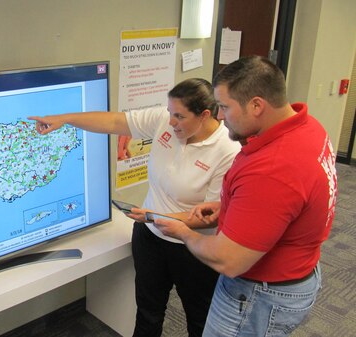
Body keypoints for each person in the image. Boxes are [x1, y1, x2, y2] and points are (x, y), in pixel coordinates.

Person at [29, 78, 241, 337]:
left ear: (205, 115)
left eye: (179, 116)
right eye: (169, 113)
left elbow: (209, 218)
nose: (170, 122)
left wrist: (154, 216)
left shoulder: (227, 151)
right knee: (148, 313)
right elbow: (115, 122)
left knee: (199, 319)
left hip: (193, 248)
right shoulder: (166, 120)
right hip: (150, 237)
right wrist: (64, 119)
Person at [154, 56, 338, 337]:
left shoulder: (273, 169)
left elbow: (229, 260)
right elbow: (290, 201)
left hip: (259, 295)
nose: (219, 116)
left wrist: (184, 233)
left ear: (256, 105)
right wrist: (229, 206)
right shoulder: (309, 128)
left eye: (225, 107)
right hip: (299, 275)